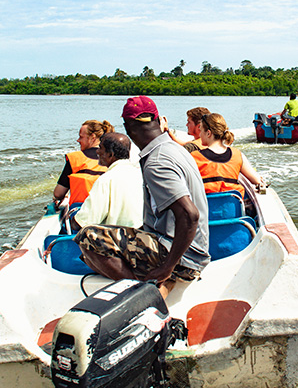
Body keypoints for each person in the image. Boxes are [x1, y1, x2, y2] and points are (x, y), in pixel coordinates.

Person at [75, 96, 210, 298]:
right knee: (106, 241)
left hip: (183, 258)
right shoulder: (175, 149)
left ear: (128, 127)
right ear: (157, 120)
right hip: (193, 250)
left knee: (88, 237)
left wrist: (166, 267)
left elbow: (190, 215)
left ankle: (141, 292)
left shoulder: (157, 161)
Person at [71, 133, 144, 231]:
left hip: (116, 241)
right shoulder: (139, 174)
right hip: (140, 236)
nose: (97, 151)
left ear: (110, 154)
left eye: (100, 148)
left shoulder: (106, 180)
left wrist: (73, 220)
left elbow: (84, 222)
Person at [191, 113, 262, 198]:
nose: (199, 135)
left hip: (206, 209)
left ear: (208, 133)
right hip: (233, 209)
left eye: (201, 130)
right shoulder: (237, 155)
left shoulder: (194, 157)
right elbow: (257, 180)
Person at [53, 120, 115, 211]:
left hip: (81, 211)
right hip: (107, 210)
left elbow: (58, 194)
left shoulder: (75, 158)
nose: (78, 140)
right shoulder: (114, 158)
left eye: (81, 137)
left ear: (92, 137)